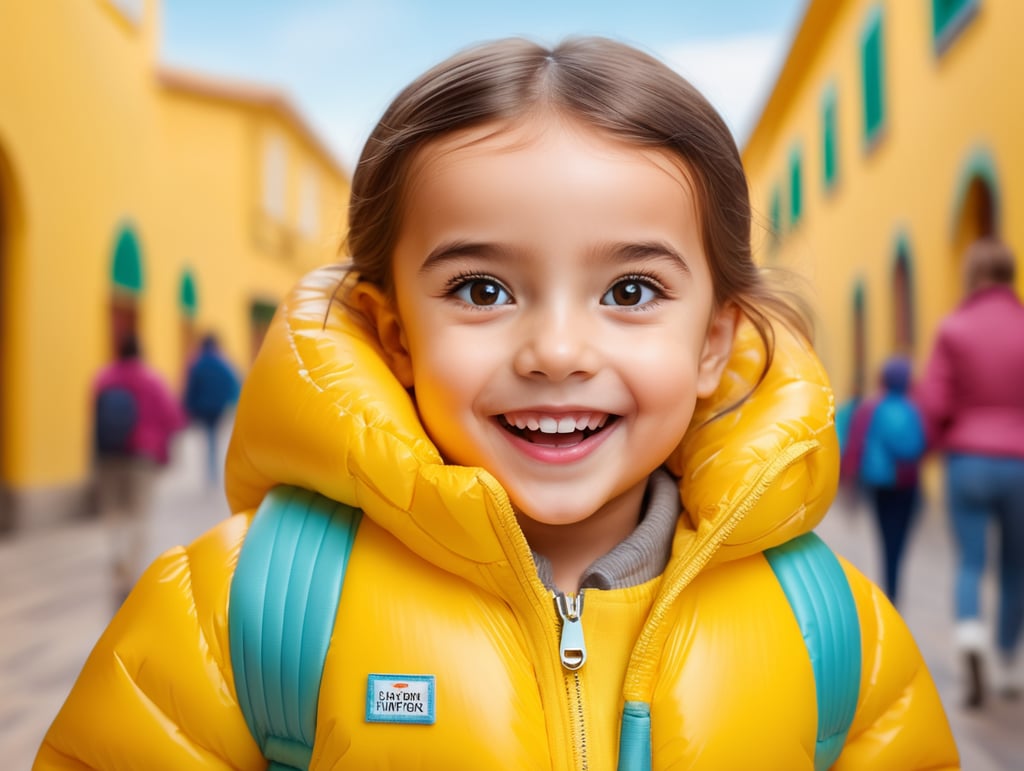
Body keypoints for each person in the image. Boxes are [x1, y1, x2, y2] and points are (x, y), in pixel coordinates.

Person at [36, 38, 958, 768]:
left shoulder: (834, 634)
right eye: (482, 290)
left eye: (630, 291)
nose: (556, 351)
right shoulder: (237, 614)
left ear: (715, 339)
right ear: (395, 335)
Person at [916, 236, 1024, 707]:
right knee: (1016, 565)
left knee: (971, 560)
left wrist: (940, 444)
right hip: (1020, 460)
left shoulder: (954, 329)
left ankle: (970, 635)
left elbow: (934, 402)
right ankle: (1006, 661)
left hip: (967, 459)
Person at [90, 333, 186, 605]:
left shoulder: (103, 378)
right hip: (142, 456)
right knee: (139, 514)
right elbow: (174, 417)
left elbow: (93, 418)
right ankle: (129, 573)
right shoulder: (151, 379)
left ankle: (117, 557)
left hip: (109, 454)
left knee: (114, 512)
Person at [840, 356, 926, 605]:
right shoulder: (913, 408)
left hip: (880, 484)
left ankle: (890, 585)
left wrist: (849, 482)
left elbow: (856, 444)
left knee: (885, 535)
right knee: (900, 537)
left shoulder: (870, 407)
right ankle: (895, 582)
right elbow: (922, 444)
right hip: (908, 483)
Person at [183, 332, 242, 485]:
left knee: (209, 437)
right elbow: (234, 383)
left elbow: (191, 387)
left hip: (203, 408)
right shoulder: (222, 362)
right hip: (219, 408)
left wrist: (188, 406)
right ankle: (213, 471)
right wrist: (231, 401)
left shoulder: (198, 363)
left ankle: (210, 471)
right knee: (214, 438)